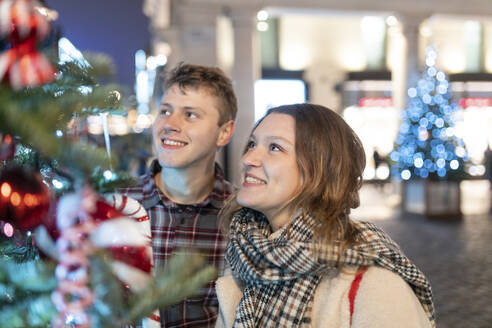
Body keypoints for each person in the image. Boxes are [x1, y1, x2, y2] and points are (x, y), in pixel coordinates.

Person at [215, 104, 435, 328]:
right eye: (252, 144)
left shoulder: (373, 282)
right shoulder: (245, 255)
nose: (248, 158)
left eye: (275, 147)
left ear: (320, 169)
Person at [120, 63, 237, 327]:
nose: (169, 124)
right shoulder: (118, 204)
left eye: (190, 115)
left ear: (224, 132)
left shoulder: (240, 215)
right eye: (165, 111)